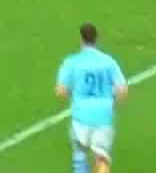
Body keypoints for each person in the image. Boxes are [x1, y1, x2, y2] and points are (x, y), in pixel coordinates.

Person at [54, 23, 128, 173]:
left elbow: (60, 91)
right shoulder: (108, 61)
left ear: (81, 39)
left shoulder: (72, 62)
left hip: (80, 117)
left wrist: (74, 96)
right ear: (97, 38)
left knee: (80, 156)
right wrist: (111, 103)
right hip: (103, 116)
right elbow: (123, 90)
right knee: (102, 159)